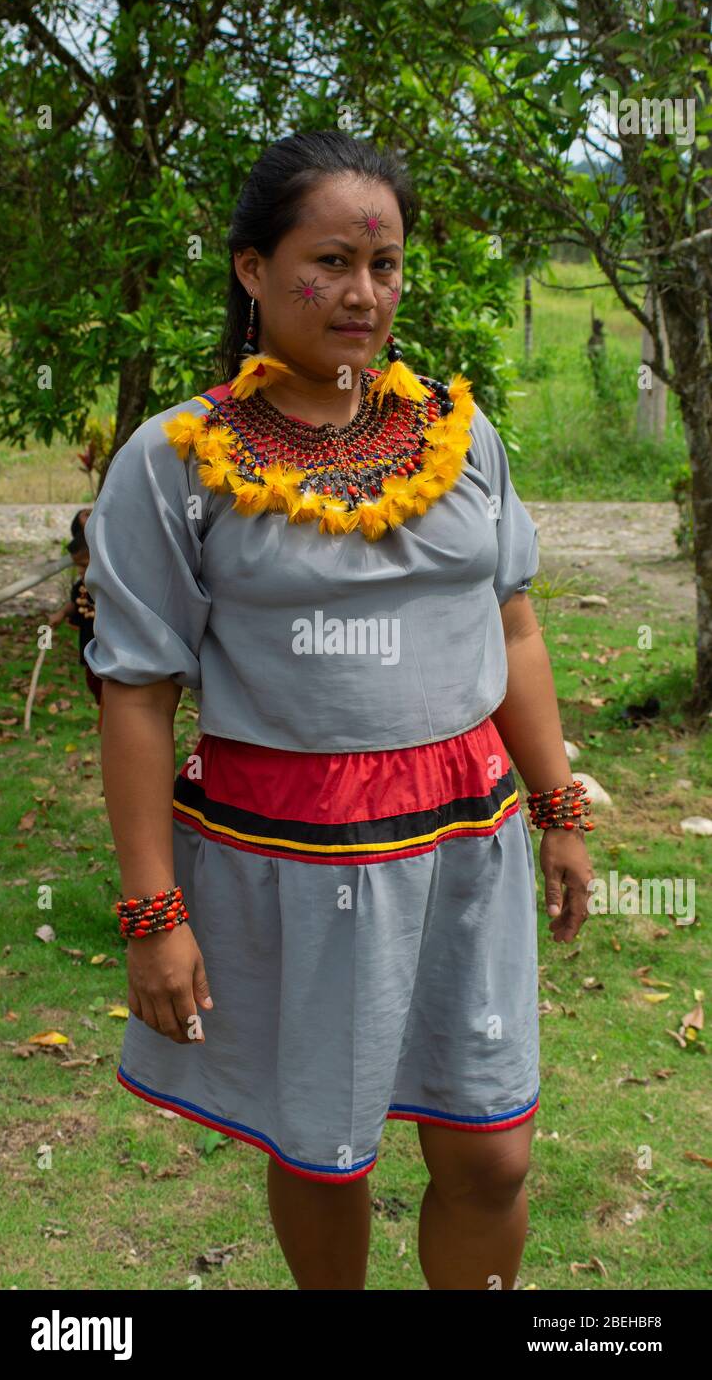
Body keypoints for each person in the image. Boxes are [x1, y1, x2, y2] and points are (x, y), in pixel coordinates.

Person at [82, 130, 594, 1291]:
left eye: (385, 264)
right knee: (324, 1151)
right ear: (251, 270)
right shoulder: (177, 462)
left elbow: (509, 624)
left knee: (493, 1147)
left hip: (466, 837)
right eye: (329, 261)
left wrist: (556, 803)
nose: (362, 293)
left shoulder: (461, 440)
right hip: (295, 858)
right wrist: (152, 907)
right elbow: (137, 687)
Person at [49, 512, 104, 732]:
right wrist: (60, 615)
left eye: (84, 565)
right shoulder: (82, 586)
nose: (81, 572)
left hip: (108, 643)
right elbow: (74, 603)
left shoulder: (108, 586)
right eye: (78, 568)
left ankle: (106, 720)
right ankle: (104, 709)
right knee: (92, 680)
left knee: (106, 682)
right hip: (87, 639)